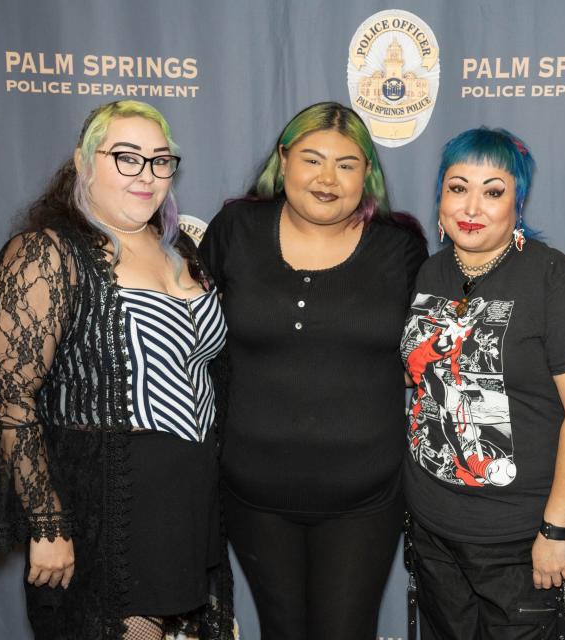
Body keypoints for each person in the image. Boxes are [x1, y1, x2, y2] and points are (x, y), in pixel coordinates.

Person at [0, 100, 232, 640]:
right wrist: (47, 524)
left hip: (187, 500)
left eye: (160, 160)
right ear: (83, 161)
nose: (146, 175)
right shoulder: (47, 254)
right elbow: (11, 398)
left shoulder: (181, 251)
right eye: (126, 157)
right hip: (111, 499)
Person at [198, 101, 427, 640]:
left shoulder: (401, 247)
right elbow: (188, 342)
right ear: (283, 160)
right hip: (253, 494)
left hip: (364, 498)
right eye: (312, 159)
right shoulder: (236, 228)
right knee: (282, 630)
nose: (327, 179)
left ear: (366, 174)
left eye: (347, 164)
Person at [401, 127, 565, 640]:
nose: (472, 206)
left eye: (493, 191)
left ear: (518, 202)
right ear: (440, 197)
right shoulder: (429, 273)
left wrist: (556, 530)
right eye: (457, 187)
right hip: (432, 532)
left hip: (519, 544)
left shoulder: (554, 282)